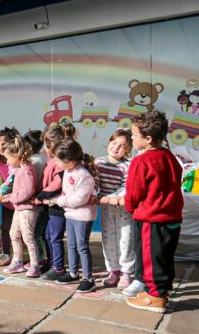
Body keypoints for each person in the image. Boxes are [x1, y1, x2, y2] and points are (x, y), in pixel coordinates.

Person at [124, 111, 183, 313]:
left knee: (150, 259)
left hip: (151, 218)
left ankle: (155, 297)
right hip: (171, 216)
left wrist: (132, 210)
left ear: (148, 139)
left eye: (134, 135)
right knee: (163, 257)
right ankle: (161, 290)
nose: (131, 138)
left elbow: (133, 193)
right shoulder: (169, 156)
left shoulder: (141, 162)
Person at [50, 138, 99, 293]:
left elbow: (80, 198)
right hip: (71, 214)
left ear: (69, 161)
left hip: (82, 216)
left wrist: (59, 201)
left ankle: (88, 279)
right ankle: (73, 273)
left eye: (58, 160)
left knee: (82, 247)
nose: (55, 162)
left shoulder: (82, 174)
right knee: (71, 244)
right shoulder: (68, 170)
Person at [95, 129, 135, 289]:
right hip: (106, 208)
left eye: (122, 146)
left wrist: (113, 197)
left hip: (122, 208)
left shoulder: (127, 165)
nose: (116, 148)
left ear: (128, 150)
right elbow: (95, 183)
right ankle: (113, 271)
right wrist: (97, 195)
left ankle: (126, 272)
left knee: (125, 239)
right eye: (114, 143)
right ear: (108, 143)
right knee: (108, 240)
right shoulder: (98, 162)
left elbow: (126, 186)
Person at [0, 135, 41, 276]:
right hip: (20, 208)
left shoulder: (26, 169)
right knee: (14, 234)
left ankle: (35, 265)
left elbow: (28, 190)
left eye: (8, 158)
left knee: (28, 237)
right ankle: (17, 261)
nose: (7, 162)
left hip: (27, 210)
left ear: (17, 155)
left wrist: (12, 197)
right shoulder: (20, 168)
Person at [37, 124, 74, 281]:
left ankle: (58, 268)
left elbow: (57, 182)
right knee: (47, 234)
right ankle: (52, 263)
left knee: (55, 236)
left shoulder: (59, 161)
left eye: (46, 144)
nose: (44, 148)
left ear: (53, 144)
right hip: (49, 203)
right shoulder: (51, 160)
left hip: (57, 204)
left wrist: (41, 195)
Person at [0, 127, 20, 266]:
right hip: (6, 201)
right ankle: (6, 253)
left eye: (4, 143)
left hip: (20, 200)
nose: (0, 147)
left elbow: (12, 180)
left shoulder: (17, 158)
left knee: (22, 230)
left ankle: (23, 255)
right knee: (5, 227)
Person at [24, 130, 49, 269]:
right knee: (38, 232)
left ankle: (40, 259)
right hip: (41, 200)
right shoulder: (41, 158)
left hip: (36, 201)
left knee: (36, 233)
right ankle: (41, 258)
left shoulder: (33, 161)